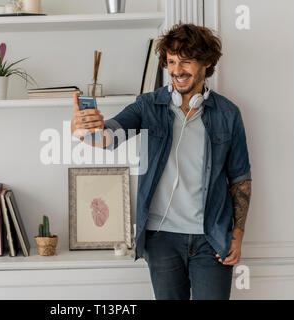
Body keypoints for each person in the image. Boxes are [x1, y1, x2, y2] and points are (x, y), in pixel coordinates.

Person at [71, 23, 251, 300]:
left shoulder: (228, 114)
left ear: (207, 62)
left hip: (211, 239)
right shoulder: (148, 105)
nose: (177, 70)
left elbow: (240, 178)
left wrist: (237, 235)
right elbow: (111, 136)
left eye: (186, 61)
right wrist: (87, 130)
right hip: (161, 239)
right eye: (171, 61)